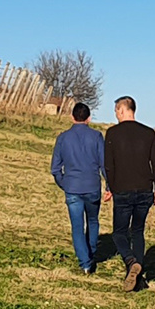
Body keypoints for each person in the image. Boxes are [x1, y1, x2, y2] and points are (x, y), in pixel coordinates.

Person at [103, 95, 155, 291]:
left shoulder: (112, 133)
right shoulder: (148, 133)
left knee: (119, 232)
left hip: (122, 189)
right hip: (145, 188)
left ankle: (130, 262)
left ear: (121, 110)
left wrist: (110, 187)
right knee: (138, 231)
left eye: (116, 112)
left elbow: (109, 165)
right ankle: (139, 275)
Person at [50, 102, 106, 273]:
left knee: (76, 226)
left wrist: (64, 183)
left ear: (72, 117)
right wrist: (109, 185)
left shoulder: (63, 138)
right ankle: (91, 252)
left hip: (72, 186)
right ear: (89, 118)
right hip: (92, 186)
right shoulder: (96, 136)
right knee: (93, 220)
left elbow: (55, 168)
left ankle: (85, 262)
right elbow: (104, 164)